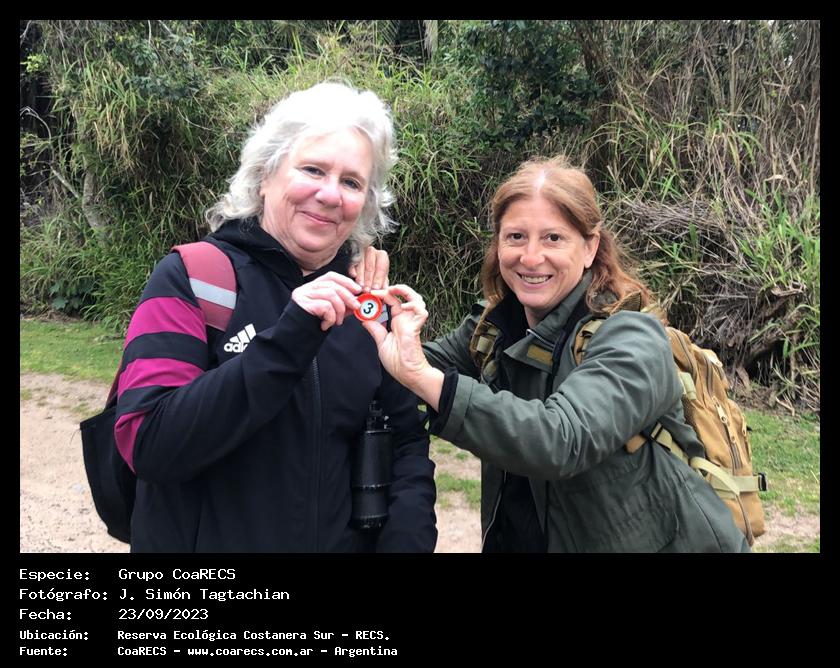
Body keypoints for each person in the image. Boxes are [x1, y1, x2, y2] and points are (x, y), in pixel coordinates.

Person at [360, 155, 749, 552]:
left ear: (590, 247)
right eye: (515, 237)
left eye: (553, 238)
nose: (531, 257)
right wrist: (366, 306)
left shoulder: (632, 338)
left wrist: (423, 378)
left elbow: (561, 440)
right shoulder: (493, 326)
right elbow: (397, 368)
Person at [114, 81, 437, 552]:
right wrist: (290, 337)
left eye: (351, 182)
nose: (330, 194)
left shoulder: (366, 305)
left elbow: (406, 443)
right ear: (265, 175)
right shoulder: (194, 278)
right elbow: (149, 444)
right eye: (313, 169)